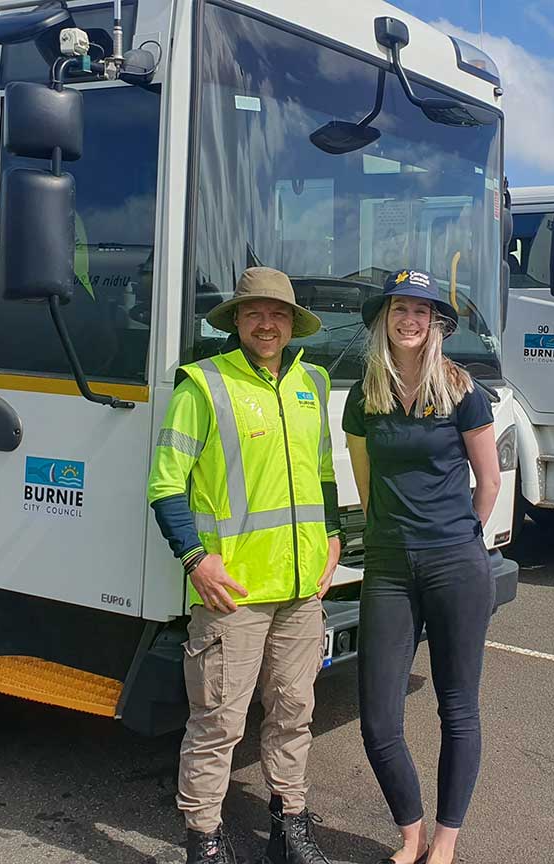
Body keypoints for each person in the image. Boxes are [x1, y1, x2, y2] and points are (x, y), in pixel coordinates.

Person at [148, 267, 343, 864]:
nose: (266, 324)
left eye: (278, 314)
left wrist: (334, 538)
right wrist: (195, 559)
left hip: (301, 588)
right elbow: (165, 485)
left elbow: (324, 474)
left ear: (292, 324)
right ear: (236, 320)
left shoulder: (312, 382)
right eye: (254, 312)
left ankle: (290, 828)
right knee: (218, 724)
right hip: (231, 591)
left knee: (294, 714)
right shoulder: (202, 386)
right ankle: (204, 838)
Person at [343, 269, 502, 864]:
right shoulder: (365, 396)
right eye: (400, 309)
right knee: (378, 719)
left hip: (455, 562)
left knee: (456, 707)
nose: (410, 320)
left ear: (435, 324)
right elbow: (365, 486)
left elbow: (488, 481)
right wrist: (395, 535)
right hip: (387, 566)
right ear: (384, 320)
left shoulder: (462, 390)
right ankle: (409, 834)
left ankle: (444, 843)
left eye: (421, 311)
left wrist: (459, 539)